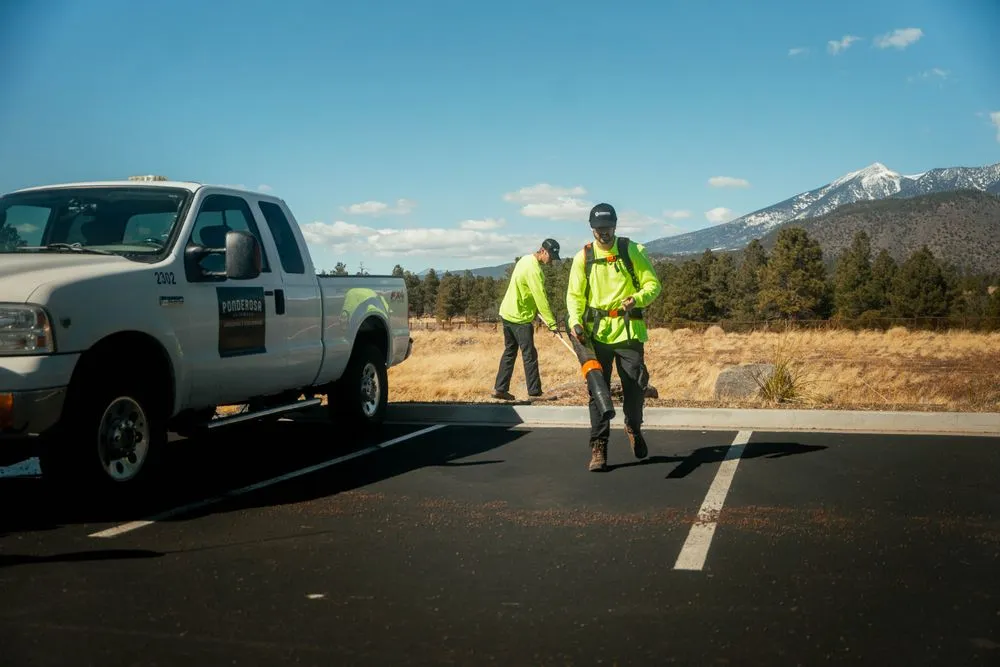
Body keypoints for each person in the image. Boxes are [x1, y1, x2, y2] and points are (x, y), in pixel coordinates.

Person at [566, 203, 662, 471]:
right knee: (598, 391)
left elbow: (653, 285)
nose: (603, 234)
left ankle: (633, 426)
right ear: (592, 229)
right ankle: (599, 446)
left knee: (634, 388)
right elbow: (574, 296)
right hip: (596, 336)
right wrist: (575, 322)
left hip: (629, 332)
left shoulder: (630, 250)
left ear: (615, 226)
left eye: (607, 229)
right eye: (598, 230)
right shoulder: (582, 257)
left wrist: (638, 298)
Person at [492, 238, 561, 400]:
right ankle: (535, 393)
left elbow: (525, 289)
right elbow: (541, 298)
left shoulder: (524, 259)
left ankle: (500, 389)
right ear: (543, 251)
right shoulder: (534, 270)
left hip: (507, 313)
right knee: (529, 354)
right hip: (519, 318)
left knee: (510, 351)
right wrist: (551, 322)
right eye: (550, 256)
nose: (551, 261)